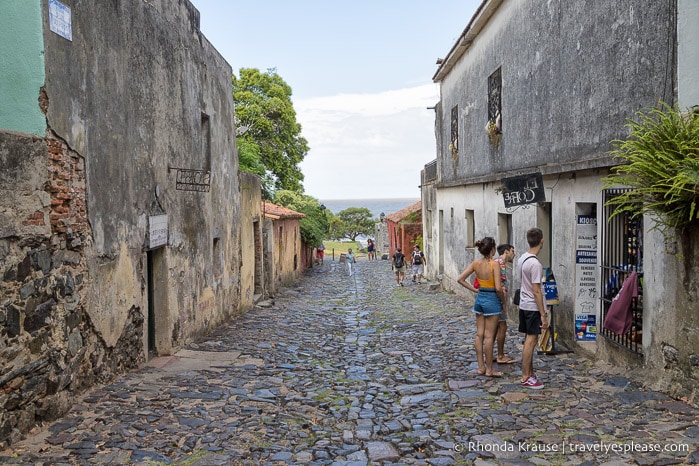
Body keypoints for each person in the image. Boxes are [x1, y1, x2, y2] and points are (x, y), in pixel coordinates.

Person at [456, 237, 506, 378]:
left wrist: (475, 290)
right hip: (492, 300)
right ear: (492, 249)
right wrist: (503, 301)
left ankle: (480, 367)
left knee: (479, 335)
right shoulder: (494, 264)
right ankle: (489, 369)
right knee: (489, 337)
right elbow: (498, 287)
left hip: (480, 298)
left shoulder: (476, 263)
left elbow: (460, 279)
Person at [517, 227, 549, 389]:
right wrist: (543, 314)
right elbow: (536, 290)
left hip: (524, 303)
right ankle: (525, 377)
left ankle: (529, 373)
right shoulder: (535, 264)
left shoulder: (522, 258)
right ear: (541, 241)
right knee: (531, 341)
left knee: (529, 340)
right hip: (532, 306)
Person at [495, 244, 517, 364]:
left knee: (494, 328)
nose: (514, 253)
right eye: (512, 251)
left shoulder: (496, 262)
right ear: (506, 251)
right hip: (498, 300)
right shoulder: (500, 263)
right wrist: (503, 302)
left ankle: (492, 354)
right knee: (502, 326)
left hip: (496, 299)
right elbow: (500, 286)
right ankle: (500, 355)